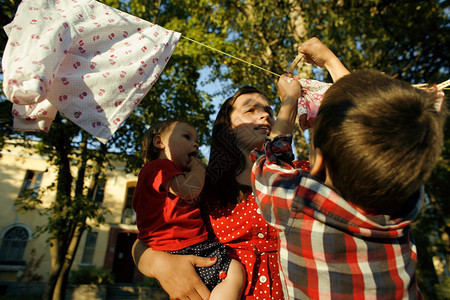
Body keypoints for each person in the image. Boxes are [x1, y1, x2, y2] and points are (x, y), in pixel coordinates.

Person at [131, 38, 349, 300]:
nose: (266, 115)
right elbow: (148, 237)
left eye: (269, 109)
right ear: (227, 128)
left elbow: (360, 134)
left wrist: (330, 62)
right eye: (251, 109)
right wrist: (159, 265)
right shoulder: (203, 185)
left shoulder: (300, 174)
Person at [251, 43, 447, 298]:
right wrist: (331, 61)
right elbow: (378, 125)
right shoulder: (405, 204)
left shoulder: (297, 204)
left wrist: (288, 102)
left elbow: (270, 161)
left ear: (318, 163)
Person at [132, 120, 245, 300]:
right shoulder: (160, 166)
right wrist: (199, 169)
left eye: (197, 140)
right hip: (186, 247)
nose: (196, 144)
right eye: (187, 136)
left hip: (174, 251)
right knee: (234, 271)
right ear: (160, 142)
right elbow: (188, 190)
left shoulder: (162, 174)